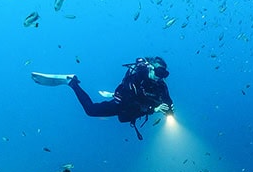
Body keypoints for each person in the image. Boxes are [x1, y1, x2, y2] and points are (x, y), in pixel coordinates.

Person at [32, 57, 173, 139]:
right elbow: (129, 101)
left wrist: (169, 111)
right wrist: (152, 109)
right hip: (122, 104)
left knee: (124, 117)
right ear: (151, 68)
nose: (159, 77)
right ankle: (71, 82)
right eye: (158, 72)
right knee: (91, 110)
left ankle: (72, 82)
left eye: (163, 74)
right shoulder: (136, 77)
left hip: (135, 112)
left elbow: (167, 101)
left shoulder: (160, 86)